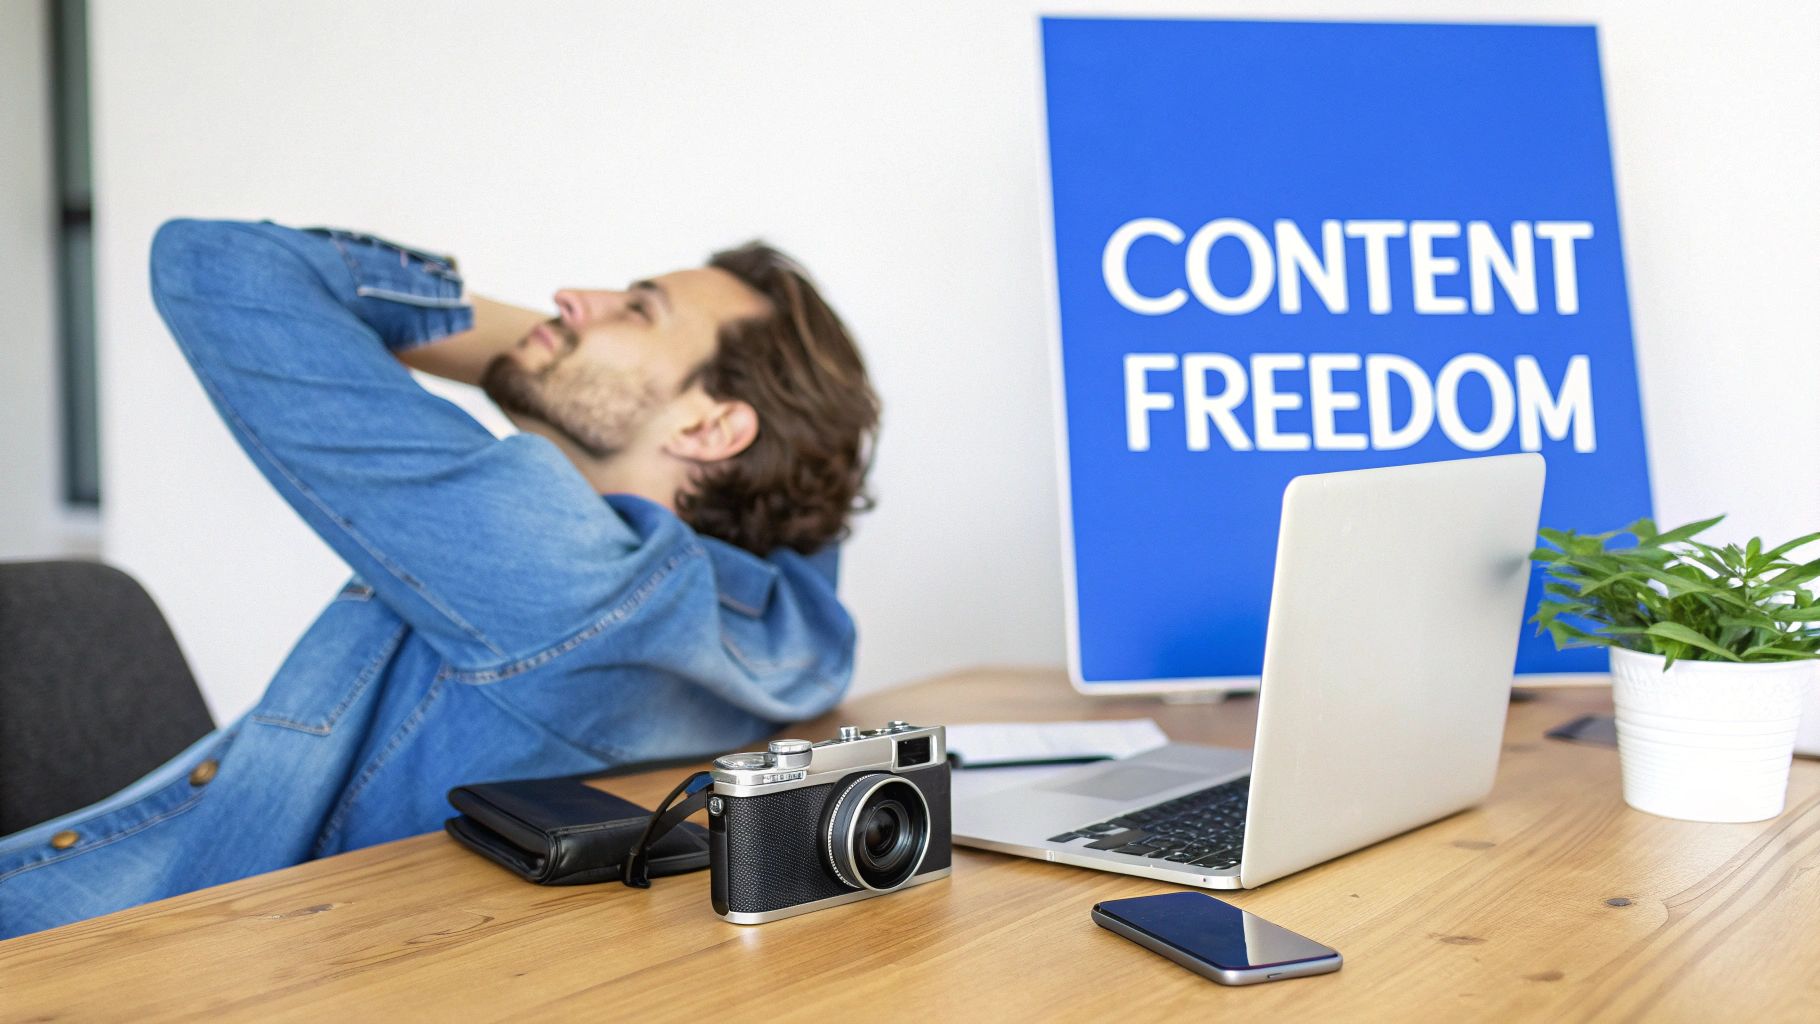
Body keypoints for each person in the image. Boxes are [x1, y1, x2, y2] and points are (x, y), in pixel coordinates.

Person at [0, 220, 879, 938]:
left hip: (127, 949)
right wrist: (568, 353)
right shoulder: (790, 624)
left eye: (637, 310)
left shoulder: (559, 566)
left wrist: (542, 347)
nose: (573, 299)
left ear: (713, 424)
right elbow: (810, 498)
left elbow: (214, 262)